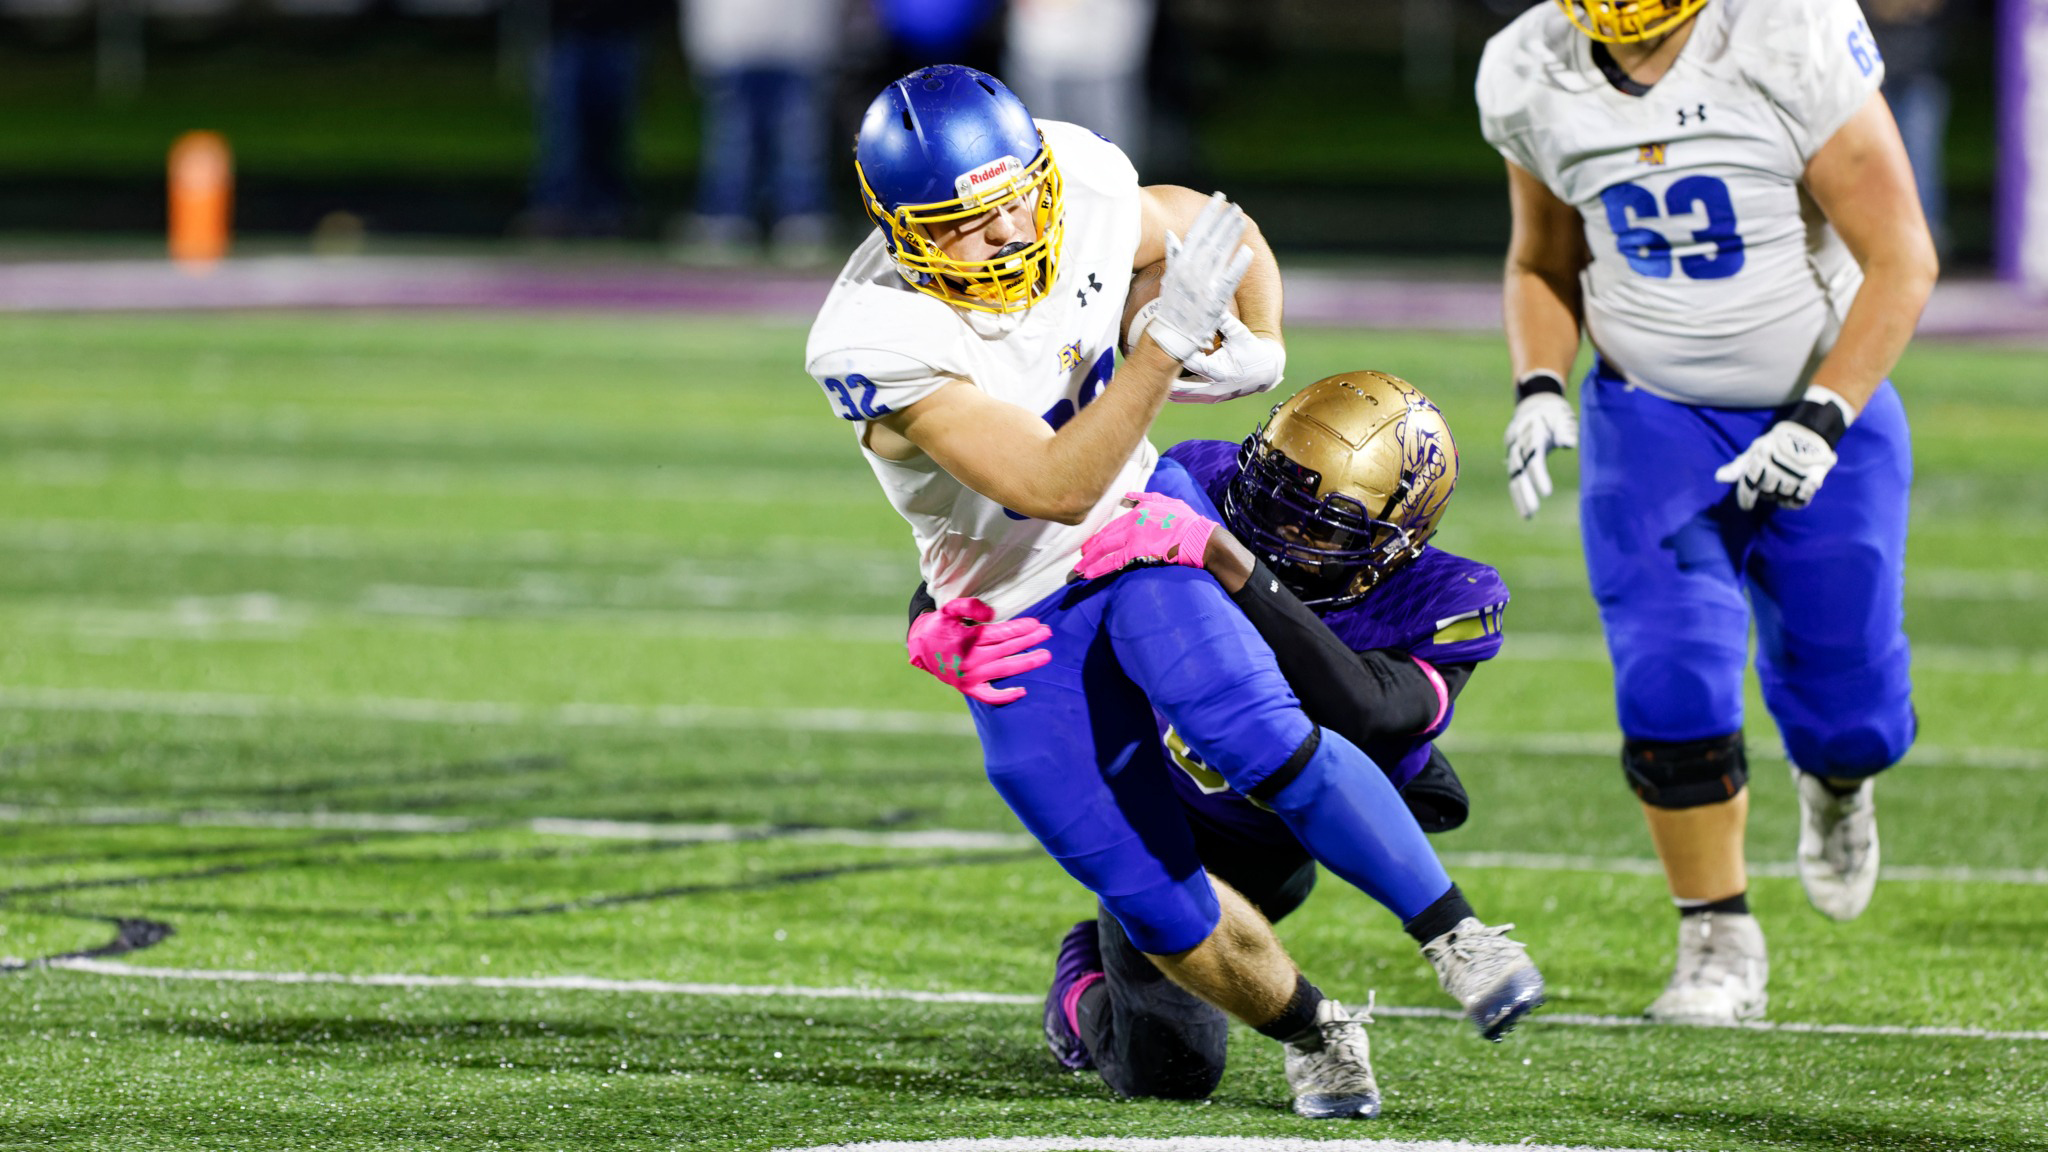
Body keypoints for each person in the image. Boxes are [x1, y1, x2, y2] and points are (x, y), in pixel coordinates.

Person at [806, 65, 1541, 1119]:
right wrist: (1158, 348)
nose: (1009, 232)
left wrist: (1261, 338)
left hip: (1130, 529)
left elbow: (1207, 225)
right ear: (898, 228)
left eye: (1017, 199)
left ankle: (1455, 934)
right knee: (1146, 891)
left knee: (1253, 734)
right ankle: (1313, 1029)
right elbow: (1049, 487)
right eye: (962, 224)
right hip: (1014, 608)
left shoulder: (1082, 181)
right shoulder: (873, 337)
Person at [1479, 0, 1937, 1024]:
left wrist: (1819, 418)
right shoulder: (1526, 67)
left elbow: (1901, 255)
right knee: (1668, 680)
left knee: (1851, 713)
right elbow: (1541, 260)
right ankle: (1714, 936)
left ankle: (1835, 782)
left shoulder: (1783, 32)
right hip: (1652, 422)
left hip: (1827, 409)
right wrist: (1540, 385)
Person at [925, 370, 1534, 1101]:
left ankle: (1456, 934)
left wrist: (1227, 559)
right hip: (1173, 810)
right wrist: (924, 617)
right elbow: (1020, 550)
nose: (1283, 534)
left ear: (1395, 542)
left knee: (1276, 743)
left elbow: (1367, 710)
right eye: (1272, 501)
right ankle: (1085, 976)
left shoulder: (1447, 598)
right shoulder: (1200, 478)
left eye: (1323, 526)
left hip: (1297, 834)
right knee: (1167, 1073)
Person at [677, 0, 841, 265]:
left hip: (797, 42)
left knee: (798, 143)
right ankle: (727, 216)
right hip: (732, 41)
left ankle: (800, 219)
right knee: (732, 142)